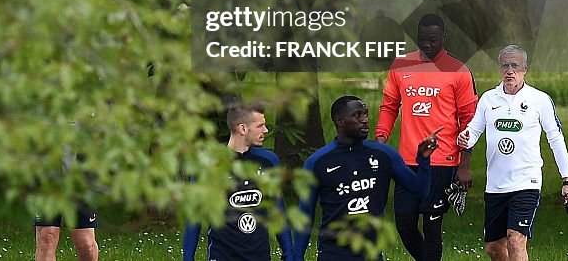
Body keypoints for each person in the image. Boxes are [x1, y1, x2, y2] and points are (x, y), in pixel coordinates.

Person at [457, 45, 568, 261]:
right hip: (495, 185)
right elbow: (473, 130)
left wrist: (567, 179)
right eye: (505, 66)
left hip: (526, 182)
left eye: (515, 66)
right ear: (499, 69)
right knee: (494, 248)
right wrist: (465, 137)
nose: (510, 71)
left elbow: (556, 139)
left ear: (525, 69)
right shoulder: (488, 99)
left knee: (515, 239)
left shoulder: (539, 100)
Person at [374, 12, 478, 261]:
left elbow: (470, 122)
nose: (427, 44)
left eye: (433, 39)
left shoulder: (458, 71)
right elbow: (390, 106)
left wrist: (464, 165)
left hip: (442, 162)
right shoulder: (401, 65)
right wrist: (380, 140)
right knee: (405, 224)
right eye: (422, 39)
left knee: (432, 226)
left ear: (443, 36)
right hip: (406, 161)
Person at [293, 96, 442, 261]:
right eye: (357, 115)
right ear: (340, 121)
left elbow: (419, 190)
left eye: (365, 114)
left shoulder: (384, 155)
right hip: (332, 254)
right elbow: (305, 215)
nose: (365, 120)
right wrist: (296, 257)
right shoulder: (317, 162)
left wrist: (423, 159)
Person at [182, 100, 294, 260]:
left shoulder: (268, 161)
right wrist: (188, 258)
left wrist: (289, 255)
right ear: (243, 128)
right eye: (260, 125)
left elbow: (278, 211)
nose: (266, 130)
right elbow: (194, 218)